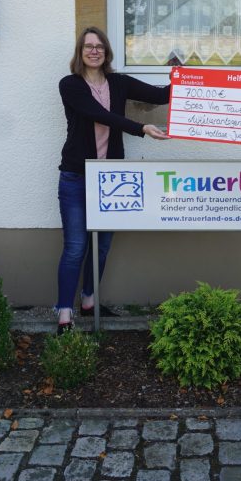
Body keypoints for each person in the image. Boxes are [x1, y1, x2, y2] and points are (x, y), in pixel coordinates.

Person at [55, 27, 170, 333]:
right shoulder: (70, 85)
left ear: (106, 52)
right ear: (80, 52)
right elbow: (99, 114)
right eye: (88, 46)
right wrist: (141, 128)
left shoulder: (118, 82)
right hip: (76, 177)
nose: (94, 51)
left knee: (102, 246)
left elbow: (159, 96)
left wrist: (188, 80)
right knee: (76, 247)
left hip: (110, 177)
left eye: (99, 46)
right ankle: (64, 313)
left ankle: (89, 300)